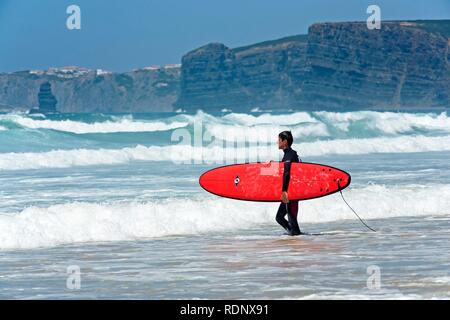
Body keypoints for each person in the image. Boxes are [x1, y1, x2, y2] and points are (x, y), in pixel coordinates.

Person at [276, 131, 302, 236]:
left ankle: (295, 237)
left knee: (289, 218)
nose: (277, 142)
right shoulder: (291, 154)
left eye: (279, 140)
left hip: (290, 192)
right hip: (292, 191)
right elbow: (284, 170)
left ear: (285, 142)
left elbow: (286, 173)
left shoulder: (289, 155)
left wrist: (284, 191)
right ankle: (294, 234)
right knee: (281, 217)